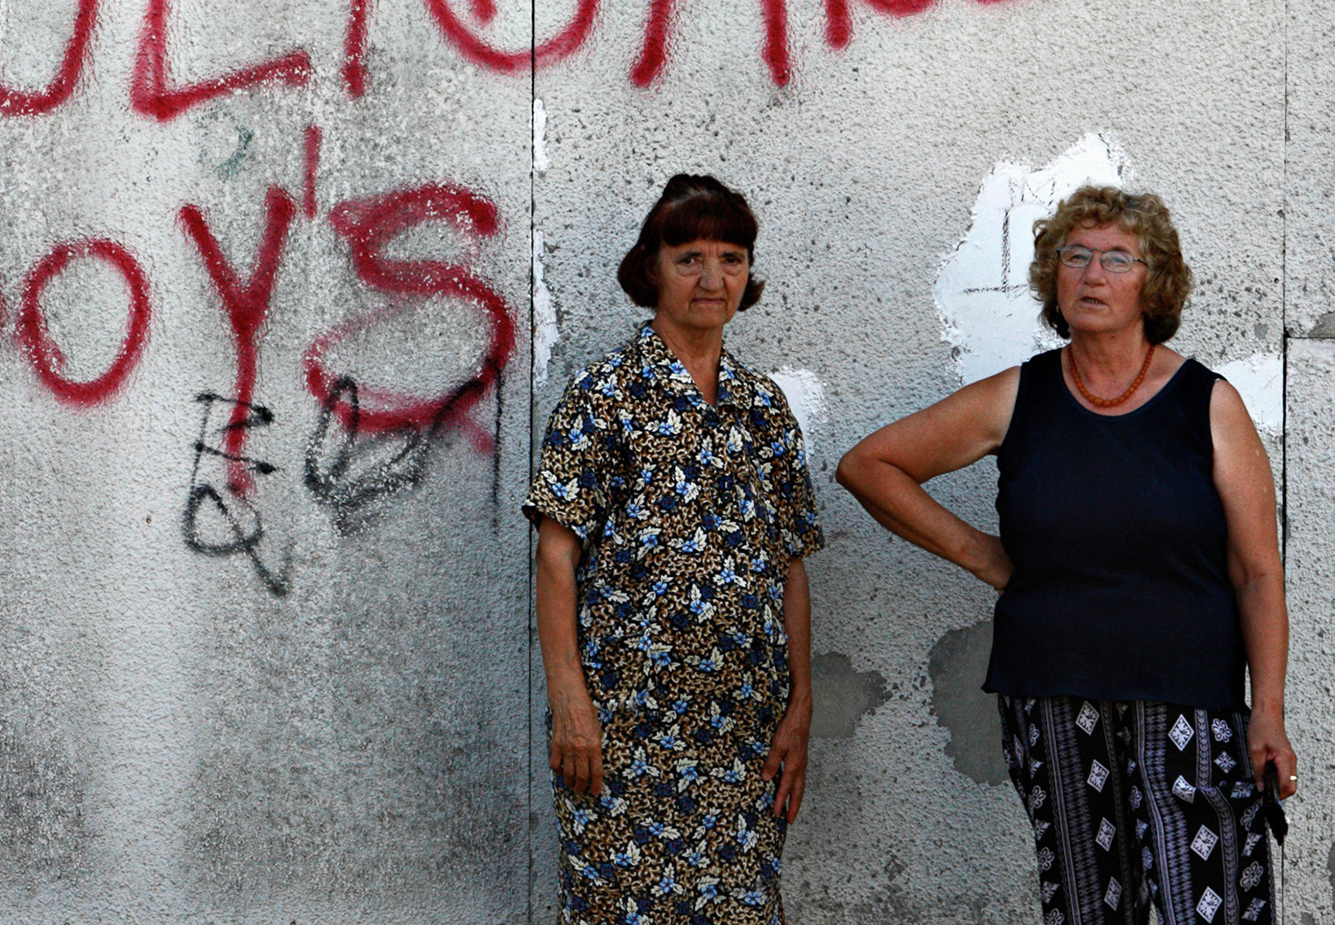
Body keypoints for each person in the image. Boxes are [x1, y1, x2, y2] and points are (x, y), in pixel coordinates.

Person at [837, 185, 1293, 925]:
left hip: (1191, 707)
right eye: (1074, 256)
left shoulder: (1207, 404)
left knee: (1205, 908)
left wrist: (1266, 713)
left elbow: (1257, 572)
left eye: (1117, 258)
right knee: (1088, 907)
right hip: (1054, 703)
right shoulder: (1021, 397)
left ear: (1156, 282)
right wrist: (986, 559)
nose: (1092, 274)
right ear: (1053, 276)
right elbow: (870, 466)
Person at [527, 174, 821, 925]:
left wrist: (800, 708)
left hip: (743, 736)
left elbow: (789, 562)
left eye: (731, 257)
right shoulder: (605, 397)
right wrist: (570, 707)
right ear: (651, 267)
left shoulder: (764, 410)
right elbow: (555, 558)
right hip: (621, 734)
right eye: (689, 257)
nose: (713, 278)